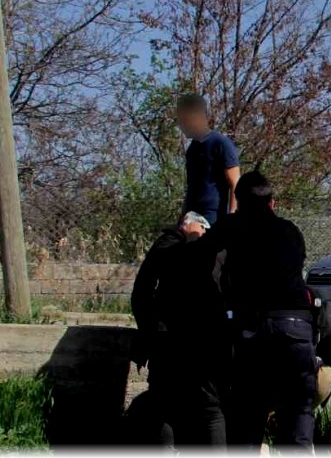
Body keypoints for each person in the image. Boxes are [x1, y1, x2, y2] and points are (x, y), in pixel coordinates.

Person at [203, 170, 318, 451]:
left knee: (248, 413)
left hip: (253, 330)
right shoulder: (291, 230)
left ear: (238, 202)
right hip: (296, 328)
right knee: (299, 411)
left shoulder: (231, 226)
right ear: (272, 203)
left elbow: (199, 259)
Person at [130, 211, 230, 450]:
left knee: (167, 405)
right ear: (190, 226)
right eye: (202, 228)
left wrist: (149, 332)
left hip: (171, 340)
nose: (205, 232)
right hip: (198, 340)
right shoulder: (185, 247)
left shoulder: (168, 247)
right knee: (205, 409)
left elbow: (141, 293)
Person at [177, 93, 240, 225]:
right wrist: (182, 216)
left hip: (214, 218)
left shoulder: (221, 143)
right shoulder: (192, 150)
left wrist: (232, 218)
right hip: (192, 218)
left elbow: (236, 184)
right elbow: (191, 187)